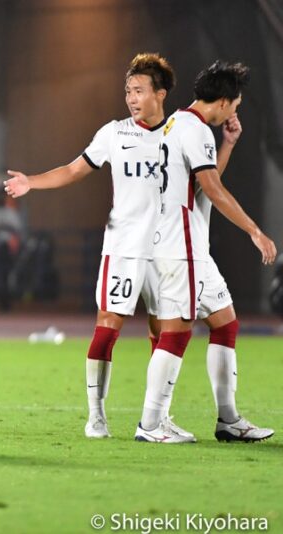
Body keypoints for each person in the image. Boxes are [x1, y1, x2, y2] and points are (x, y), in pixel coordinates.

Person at [4, 53, 176, 439]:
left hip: (167, 250)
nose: (131, 99)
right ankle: (96, 416)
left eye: (138, 91)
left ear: (160, 94)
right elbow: (73, 169)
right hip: (124, 246)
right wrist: (31, 182)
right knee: (107, 327)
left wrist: (228, 144)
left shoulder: (180, 133)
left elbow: (206, 181)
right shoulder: (115, 133)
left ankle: (157, 417)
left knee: (166, 333)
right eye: (127, 91)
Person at [135, 61, 276, 443]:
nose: (236, 110)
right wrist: (255, 231)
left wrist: (227, 143)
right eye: (237, 103)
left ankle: (228, 420)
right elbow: (212, 189)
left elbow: (200, 181)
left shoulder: (178, 123)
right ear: (225, 101)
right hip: (181, 247)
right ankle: (151, 423)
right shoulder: (195, 129)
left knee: (225, 323)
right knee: (177, 333)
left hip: (185, 244)